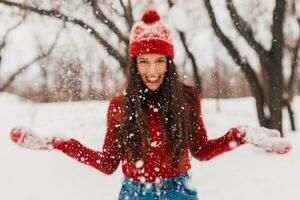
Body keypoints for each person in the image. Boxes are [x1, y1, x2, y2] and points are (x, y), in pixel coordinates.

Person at [10, 9, 291, 200]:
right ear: (134, 65)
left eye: (159, 60)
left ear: (169, 63)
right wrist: (58, 143)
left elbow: (202, 151)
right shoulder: (120, 106)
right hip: (134, 193)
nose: (152, 70)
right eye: (144, 61)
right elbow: (108, 164)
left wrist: (242, 135)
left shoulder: (187, 98)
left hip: (179, 190)